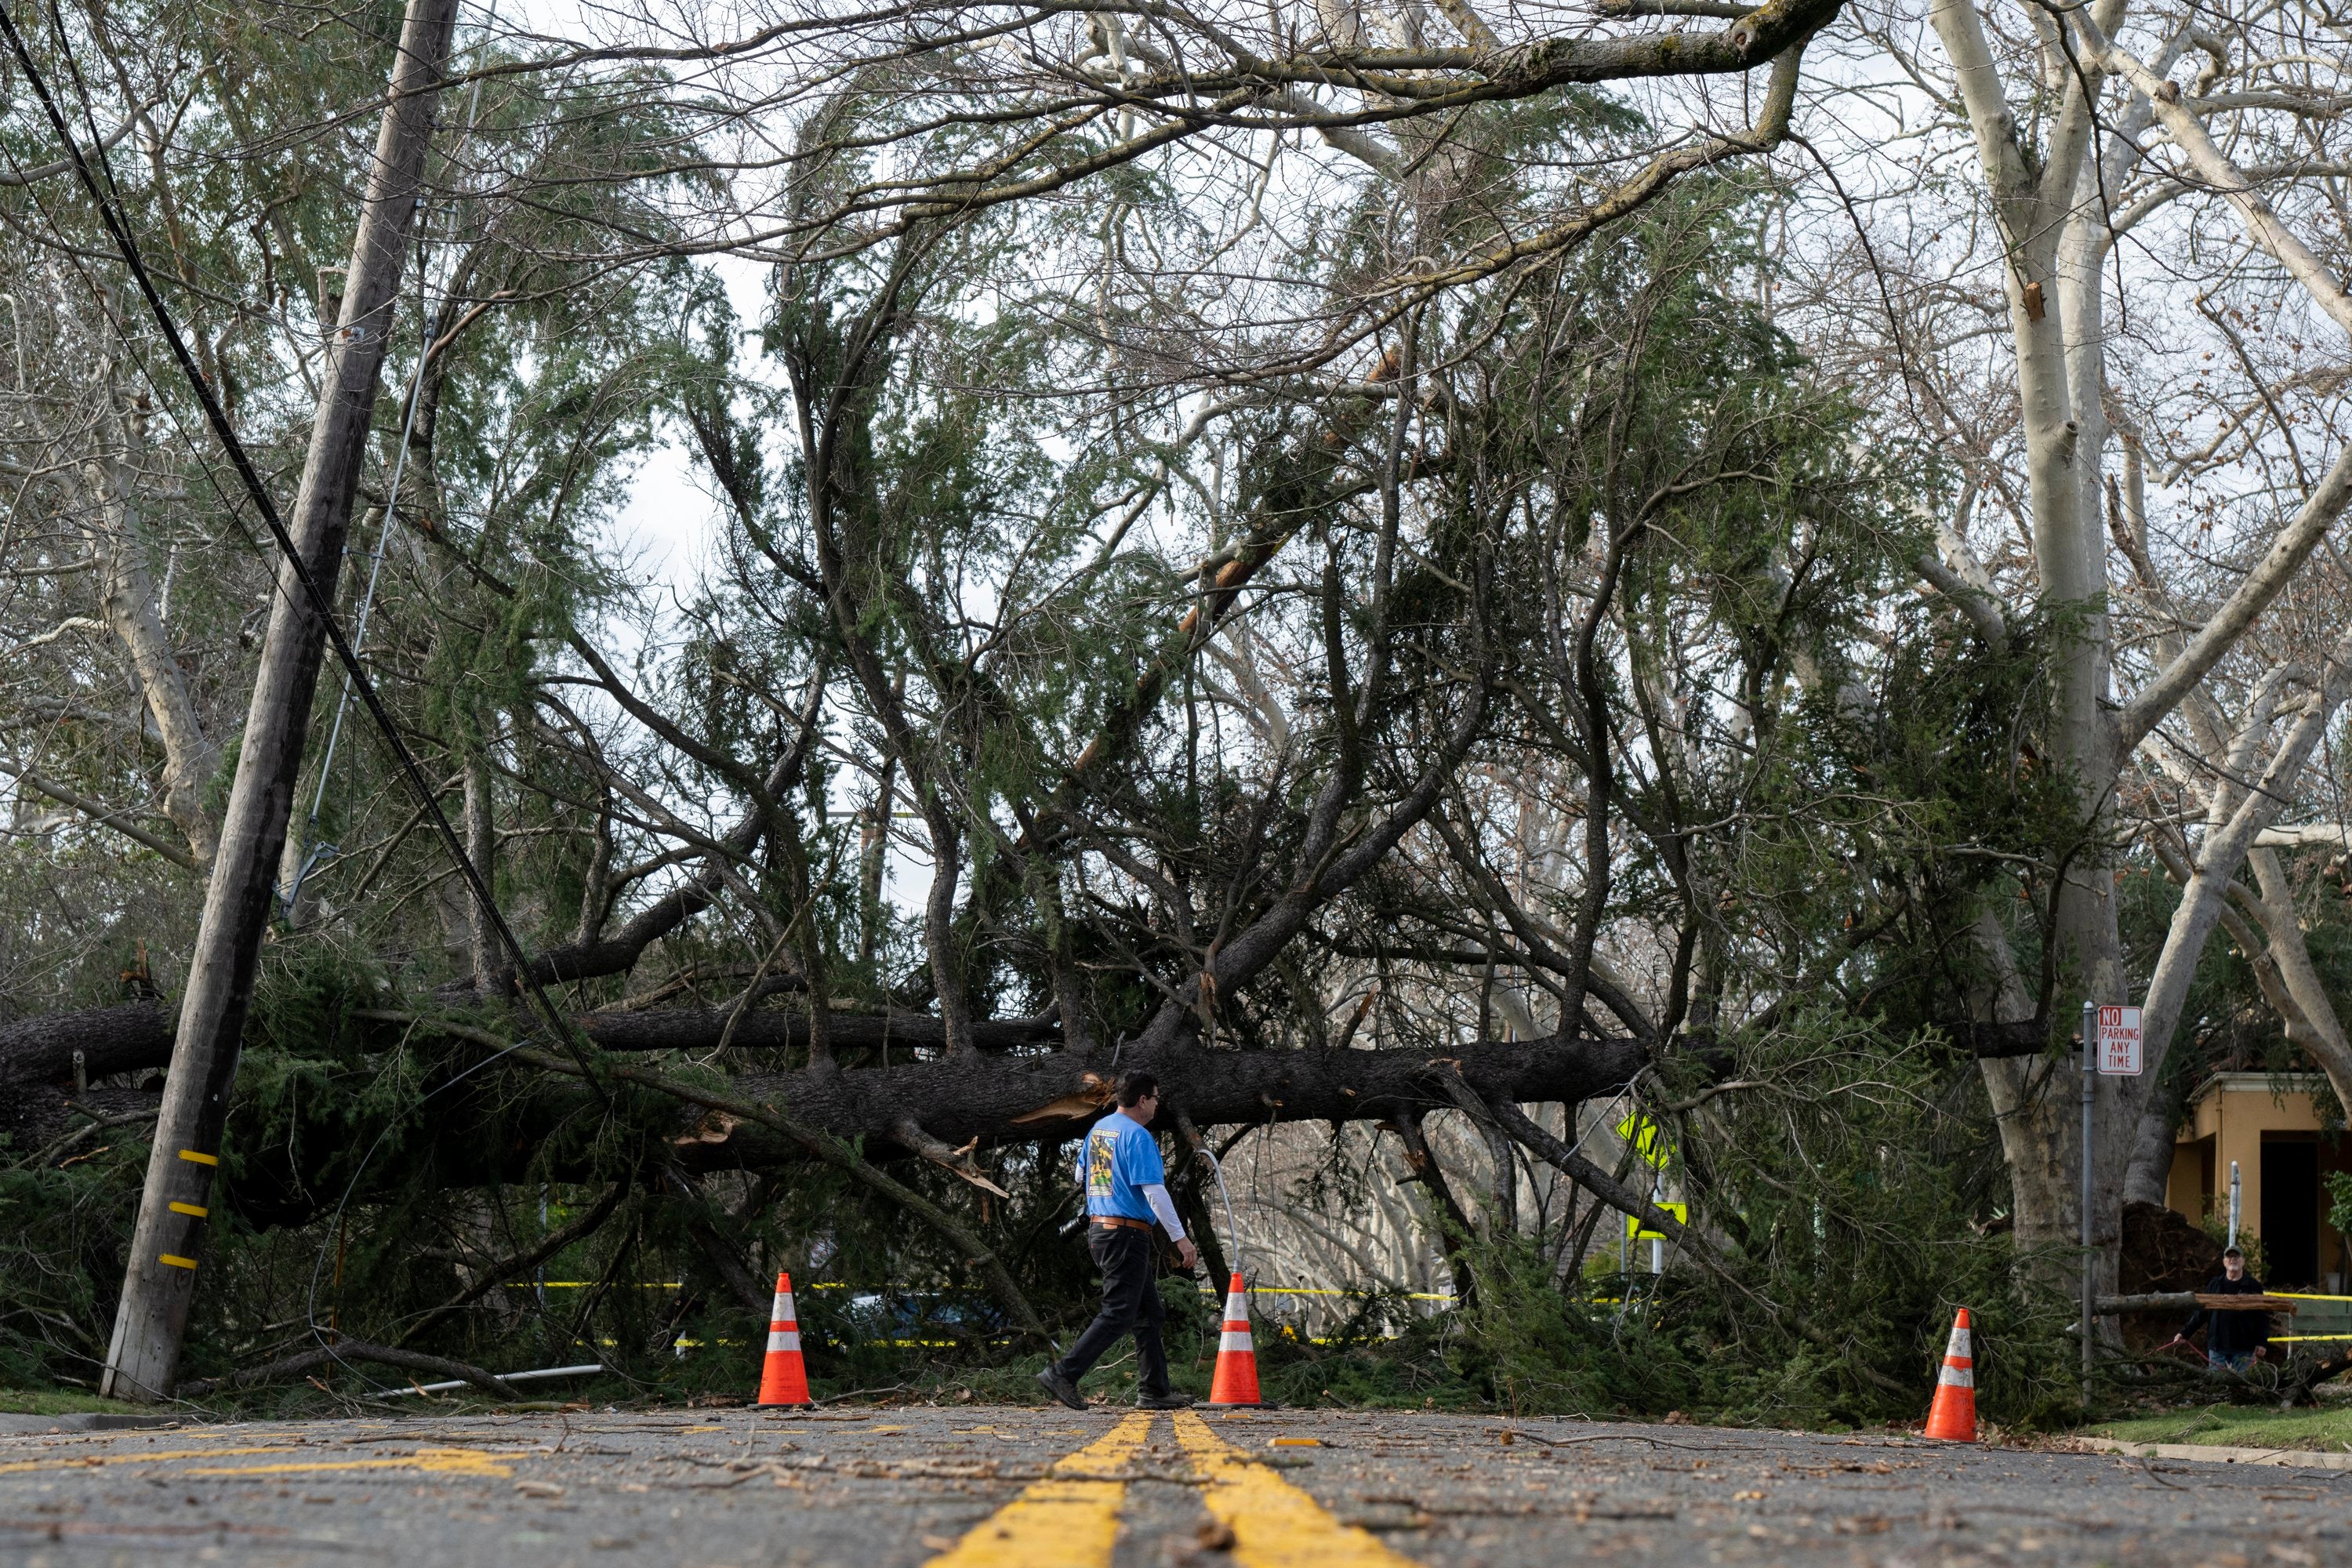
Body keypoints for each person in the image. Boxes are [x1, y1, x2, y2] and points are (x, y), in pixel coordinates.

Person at [1036, 1070, 1200, 1411]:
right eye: (1155, 1098)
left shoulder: (1099, 1131)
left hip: (1102, 1231)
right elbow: (1154, 1192)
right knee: (1118, 1313)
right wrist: (1181, 1240)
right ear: (1143, 1100)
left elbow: (1081, 1176)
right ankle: (1063, 1374)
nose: (1157, 1104)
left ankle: (1154, 1391)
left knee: (1149, 1313)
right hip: (1125, 1234)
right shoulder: (1138, 1138)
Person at [2169, 1245, 2271, 1372]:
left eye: (2236, 1256)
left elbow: (2262, 1317)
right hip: (2217, 1349)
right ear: (2224, 1262)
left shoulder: (2253, 1286)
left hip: (2244, 1349)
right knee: (2217, 1387)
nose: (2232, 1259)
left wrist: (2262, 1342)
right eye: (2229, 1256)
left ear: (2243, 1261)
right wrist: (2184, 1333)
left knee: (2243, 1387)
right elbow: (2201, 1313)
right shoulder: (2215, 1284)